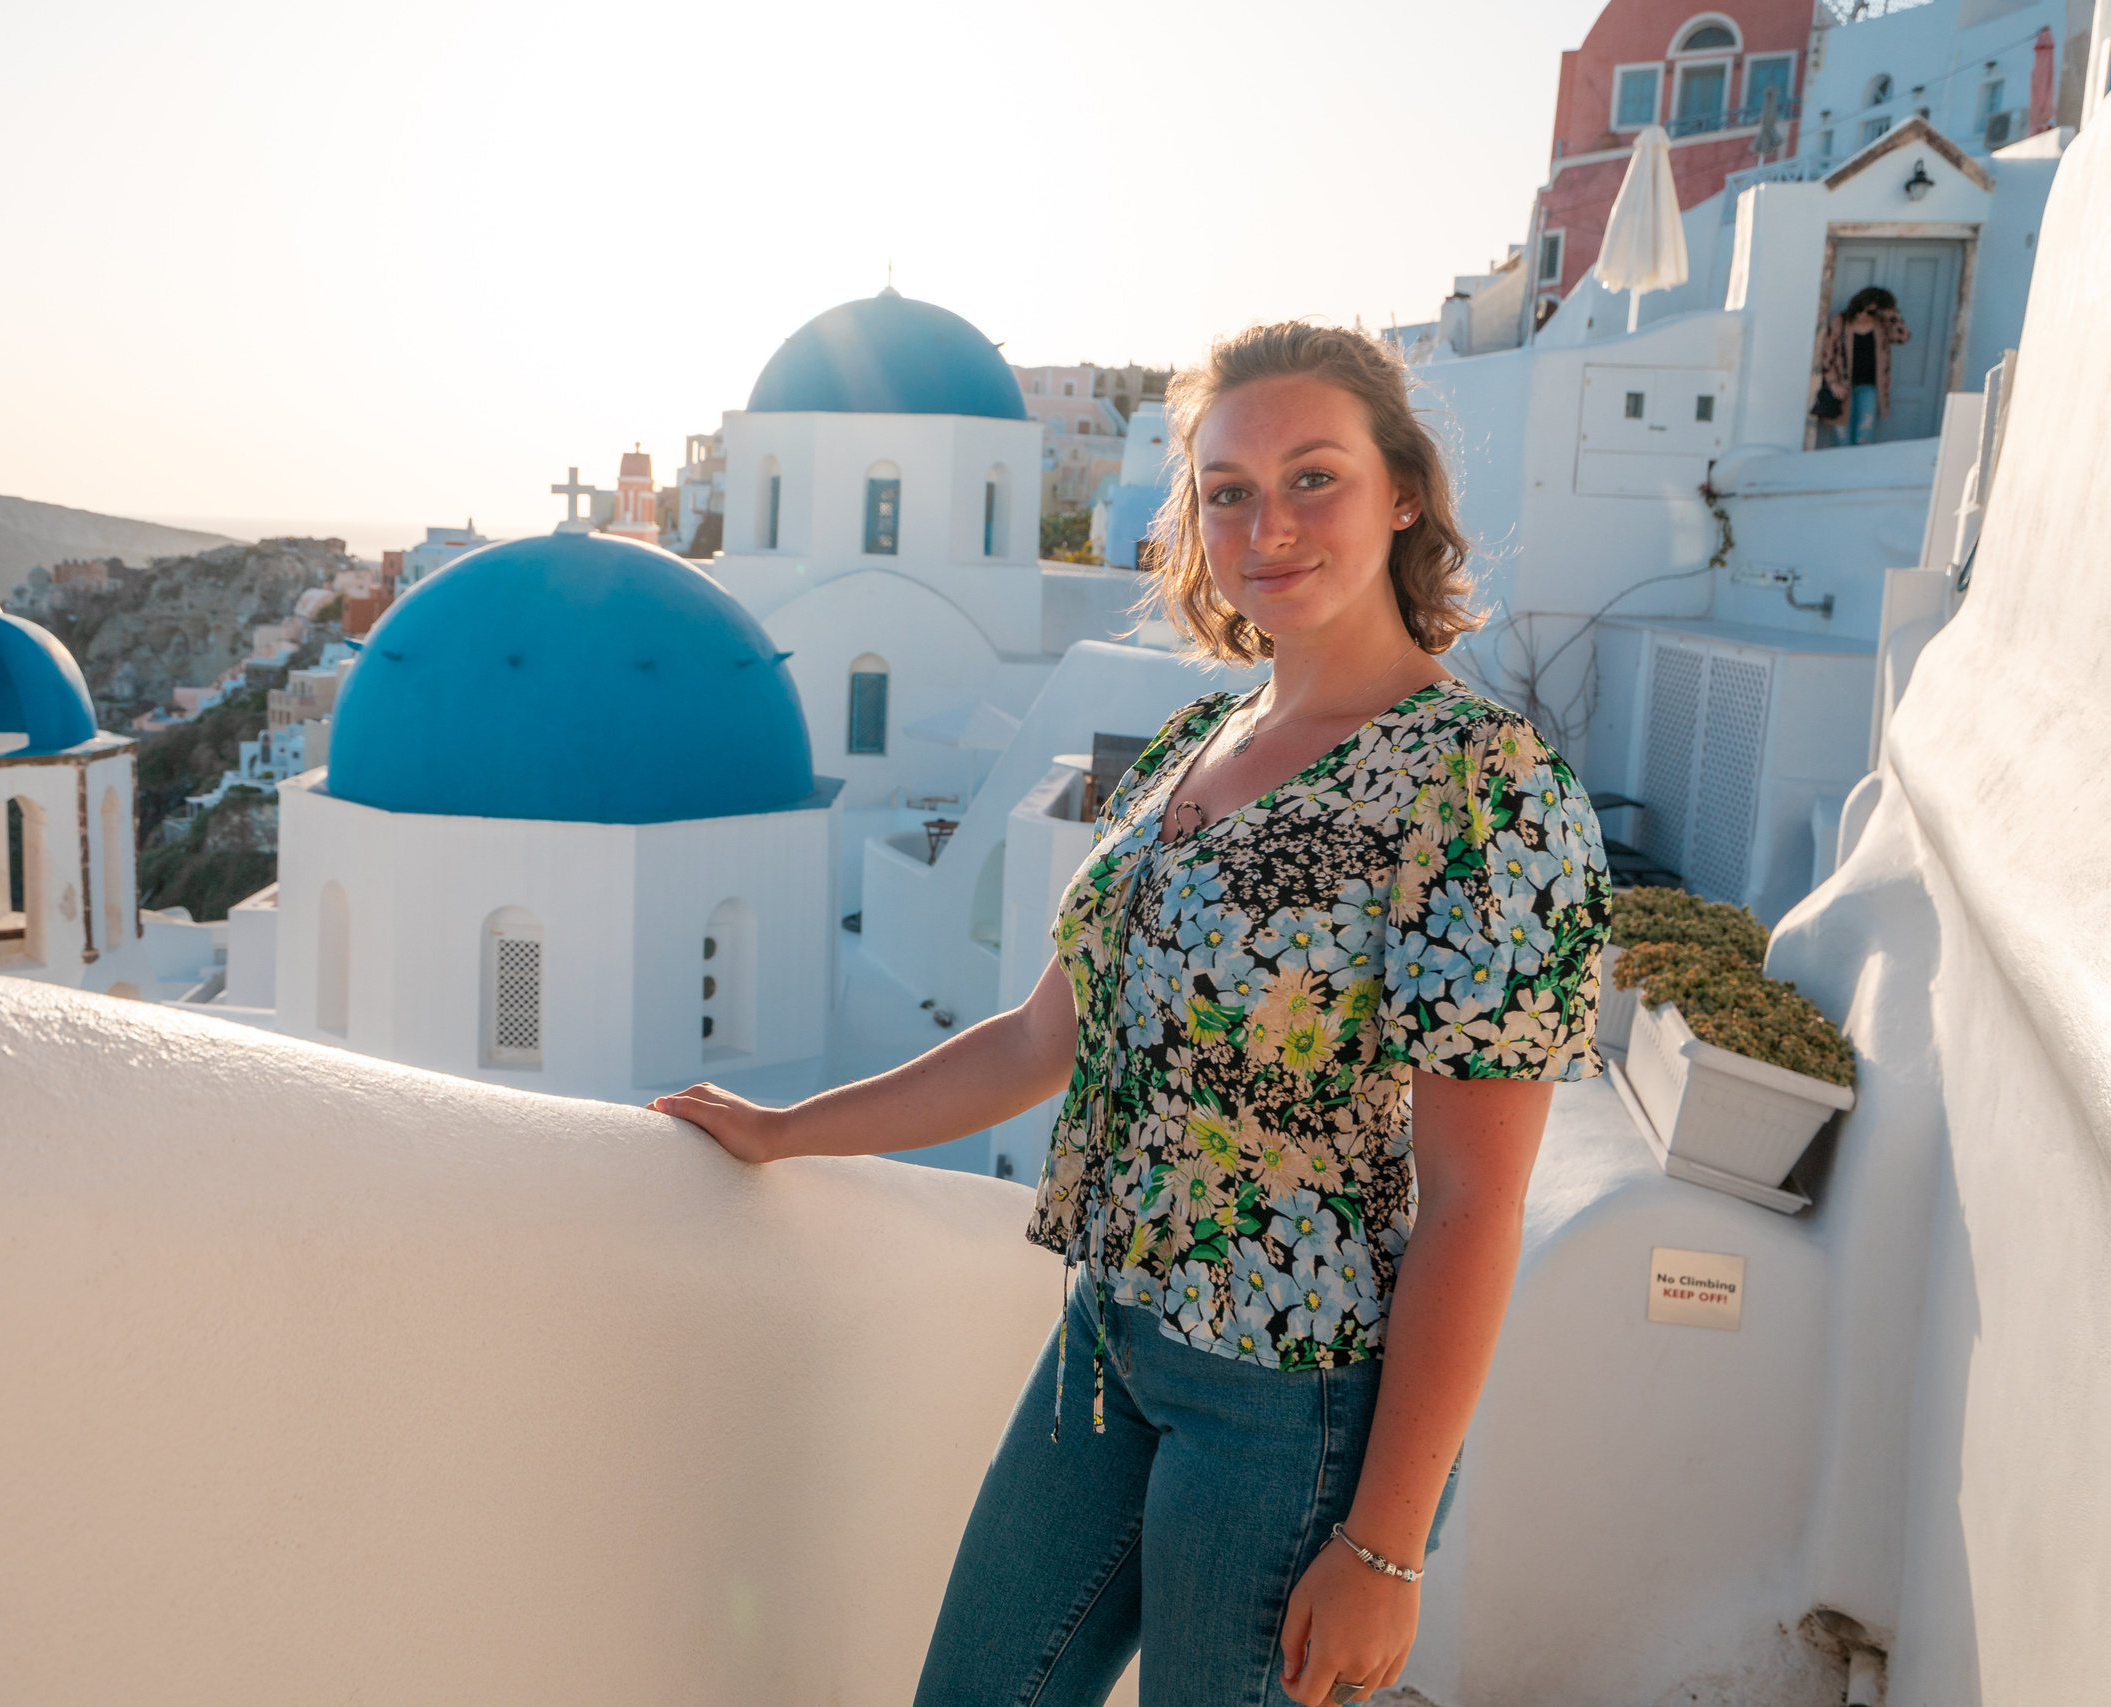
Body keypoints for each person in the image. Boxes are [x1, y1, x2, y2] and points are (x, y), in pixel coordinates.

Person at [653, 322, 1613, 1707]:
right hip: (1108, 1338)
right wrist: (789, 1128)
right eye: (1227, 489)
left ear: (1403, 491)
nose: (1266, 525)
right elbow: (1046, 1037)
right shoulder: (1189, 746)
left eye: (1313, 477)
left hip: (1292, 1391)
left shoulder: (1481, 789)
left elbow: (1474, 1200)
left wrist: (1387, 1545)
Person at [1815, 285, 1911, 446]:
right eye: (1860, 308)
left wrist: (1891, 314)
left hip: (1870, 386)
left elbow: (1903, 337)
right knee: (1842, 437)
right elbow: (1827, 354)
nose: (1863, 314)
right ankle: (1843, 468)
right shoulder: (1840, 321)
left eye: (1871, 311)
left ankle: (1860, 468)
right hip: (1843, 386)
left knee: (1864, 435)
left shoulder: (1881, 324)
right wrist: (1832, 382)